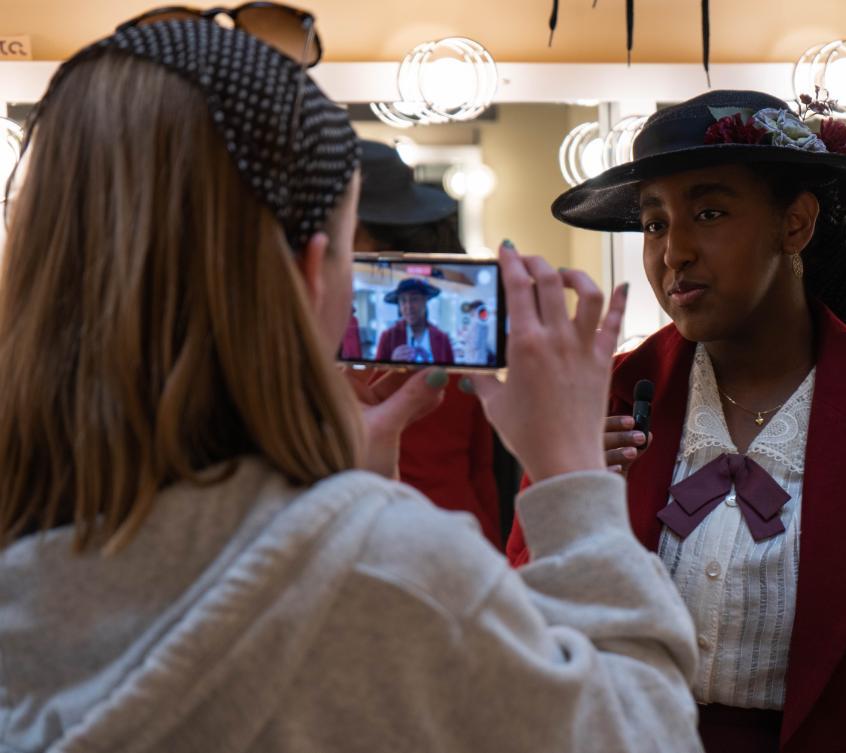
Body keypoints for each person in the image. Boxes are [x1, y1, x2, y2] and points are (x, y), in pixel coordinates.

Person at [0, 18, 703, 753]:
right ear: (309, 277)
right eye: (348, 256)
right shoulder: (389, 575)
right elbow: (645, 731)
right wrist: (571, 473)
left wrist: (361, 477)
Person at [506, 90, 846, 752]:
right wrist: (567, 492)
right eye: (656, 223)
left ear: (796, 224)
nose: (674, 252)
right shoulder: (599, 403)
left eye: (710, 211)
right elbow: (523, 636)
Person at [354, 140, 504, 547]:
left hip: (434, 538)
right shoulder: (382, 340)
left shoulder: (450, 343)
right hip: (451, 538)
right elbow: (481, 471)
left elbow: (480, 467)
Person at [375, 278, 456, 364]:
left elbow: (450, 374)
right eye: (403, 300)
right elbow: (376, 374)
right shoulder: (388, 337)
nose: (409, 306)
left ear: (425, 301)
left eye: (414, 299)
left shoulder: (442, 339)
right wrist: (392, 364)